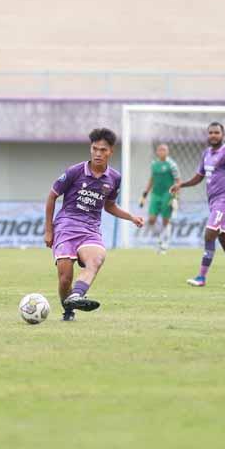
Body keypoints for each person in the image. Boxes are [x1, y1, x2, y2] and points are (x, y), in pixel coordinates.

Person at [44, 128, 144, 321]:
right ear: (91, 149)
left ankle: (77, 295)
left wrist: (131, 217)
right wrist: (49, 230)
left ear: (110, 152)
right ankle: (69, 309)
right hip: (66, 225)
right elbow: (52, 196)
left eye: (103, 150)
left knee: (96, 258)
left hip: (90, 229)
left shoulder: (114, 178)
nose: (98, 153)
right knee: (65, 279)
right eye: (95, 149)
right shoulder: (74, 171)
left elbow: (109, 206)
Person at [171, 122, 225, 287]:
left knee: (209, 234)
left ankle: (201, 277)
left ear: (223, 135)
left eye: (216, 132)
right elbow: (198, 177)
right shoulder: (206, 154)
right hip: (214, 202)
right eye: (211, 132)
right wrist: (181, 185)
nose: (213, 135)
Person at [138, 144, 180, 253]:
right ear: (157, 152)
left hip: (168, 194)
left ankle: (165, 243)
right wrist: (144, 195)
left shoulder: (172, 165)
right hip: (155, 194)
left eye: (164, 150)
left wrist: (176, 197)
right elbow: (151, 180)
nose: (162, 152)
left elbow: (178, 181)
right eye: (160, 150)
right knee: (151, 219)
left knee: (166, 220)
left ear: (168, 152)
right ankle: (159, 240)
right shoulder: (154, 164)